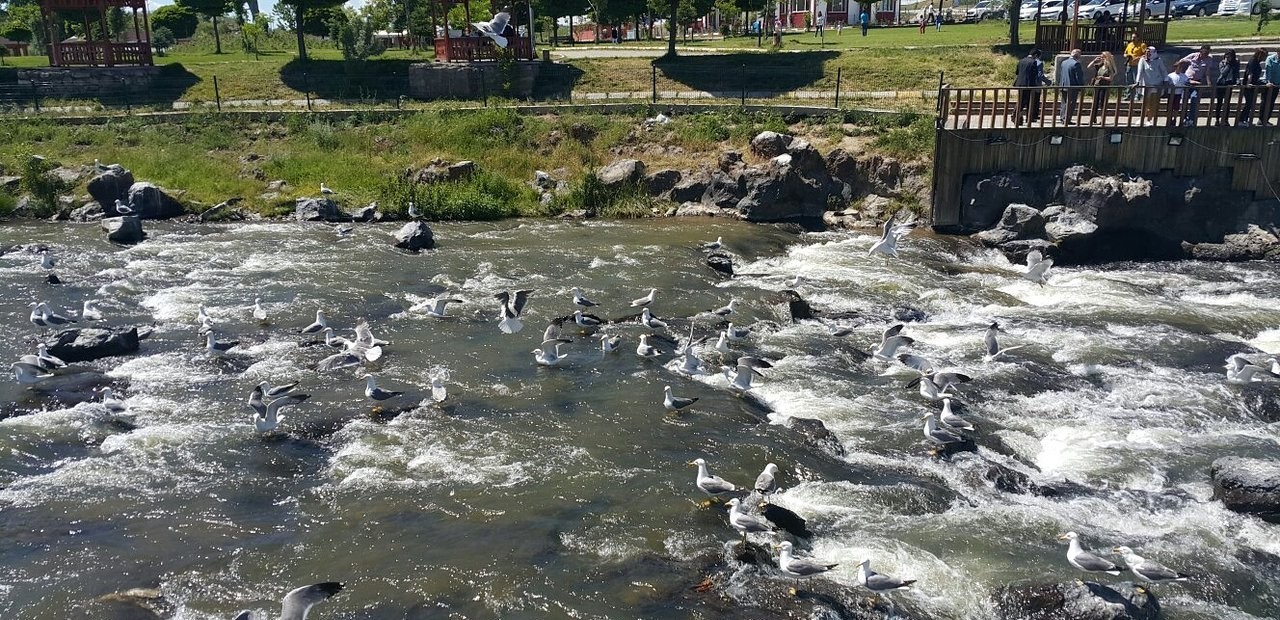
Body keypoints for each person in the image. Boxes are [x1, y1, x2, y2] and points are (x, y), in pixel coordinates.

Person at [1179, 45, 1212, 126]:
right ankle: (1184, 119)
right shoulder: (1193, 55)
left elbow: (1207, 72)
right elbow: (1182, 61)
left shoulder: (1209, 59)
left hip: (1198, 82)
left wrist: (1209, 82)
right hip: (1188, 80)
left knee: (1194, 99)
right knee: (1184, 101)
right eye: (1204, 53)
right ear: (1200, 51)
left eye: (1207, 53)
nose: (1205, 55)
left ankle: (1191, 120)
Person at [1014, 48, 1048, 125]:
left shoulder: (1021, 60)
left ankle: (1017, 116)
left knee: (1021, 101)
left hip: (1020, 84)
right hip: (1029, 85)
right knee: (1029, 102)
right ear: (1035, 55)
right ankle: (1026, 118)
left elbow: (1017, 72)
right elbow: (1035, 75)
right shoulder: (1033, 62)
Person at [1137, 47, 1168, 126]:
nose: (1147, 53)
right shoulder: (1142, 60)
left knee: (1153, 103)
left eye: (1149, 52)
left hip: (1157, 85)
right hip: (1147, 85)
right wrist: (1137, 82)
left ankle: (1149, 119)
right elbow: (1140, 72)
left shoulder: (1159, 60)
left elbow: (1163, 71)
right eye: (1146, 52)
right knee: (1145, 103)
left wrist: (1166, 80)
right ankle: (1141, 119)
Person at [1212, 49, 1239, 127]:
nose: (1229, 57)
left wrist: (1237, 81)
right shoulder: (1222, 63)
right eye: (1227, 56)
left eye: (1230, 56)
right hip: (1221, 83)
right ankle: (1217, 119)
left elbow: (1236, 73)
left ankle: (1225, 120)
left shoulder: (1236, 63)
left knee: (1227, 103)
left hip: (1229, 84)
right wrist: (1227, 64)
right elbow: (1223, 73)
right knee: (1219, 103)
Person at [1088, 51, 1117, 123]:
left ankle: (1102, 119)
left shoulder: (1110, 67)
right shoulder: (1100, 65)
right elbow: (1088, 67)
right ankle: (1093, 119)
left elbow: (1110, 78)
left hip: (1104, 86)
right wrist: (1094, 60)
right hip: (1097, 85)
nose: (1101, 58)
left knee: (1102, 103)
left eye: (1103, 57)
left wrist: (1102, 77)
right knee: (1095, 103)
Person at [1239, 48, 1265, 127]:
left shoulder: (1257, 62)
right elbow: (1250, 73)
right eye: (1263, 56)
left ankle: (1245, 120)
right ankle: (1241, 119)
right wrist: (1248, 83)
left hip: (1254, 85)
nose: (1264, 58)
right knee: (1249, 103)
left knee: (1251, 103)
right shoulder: (1253, 61)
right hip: (1249, 86)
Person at [1059, 48, 1084, 124]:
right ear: (1078, 55)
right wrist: (1081, 86)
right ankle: (1067, 119)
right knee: (1070, 103)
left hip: (1063, 85)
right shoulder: (1076, 64)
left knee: (1064, 102)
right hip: (1072, 86)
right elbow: (1078, 77)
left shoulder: (1064, 62)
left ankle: (1062, 117)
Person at [1166, 60, 1191, 126]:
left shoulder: (1183, 76)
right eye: (1178, 67)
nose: (1180, 69)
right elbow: (1166, 82)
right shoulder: (1170, 75)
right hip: (1171, 93)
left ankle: (1175, 118)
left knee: (1176, 107)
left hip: (1178, 93)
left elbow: (1187, 81)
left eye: (1181, 68)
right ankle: (1169, 119)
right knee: (1170, 107)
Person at [1124, 33, 1148, 101]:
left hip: (1137, 65)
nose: (1133, 39)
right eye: (1132, 37)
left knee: (1136, 80)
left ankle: (1137, 95)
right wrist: (1127, 56)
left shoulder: (1142, 45)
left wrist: (1137, 58)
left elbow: (1145, 55)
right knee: (1129, 80)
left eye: (1134, 37)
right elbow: (1125, 53)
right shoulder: (1129, 45)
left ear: (1138, 38)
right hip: (1129, 65)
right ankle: (1128, 95)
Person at [1264, 51, 1280, 126]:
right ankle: (1262, 119)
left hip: (1276, 84)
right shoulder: (1270, 58)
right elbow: (1268, 70)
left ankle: (1267, 119)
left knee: (1271, 103)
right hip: (1269, 84)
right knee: (1265, 102)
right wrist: (1268, 81)